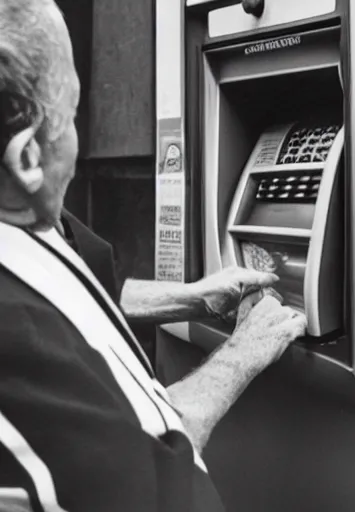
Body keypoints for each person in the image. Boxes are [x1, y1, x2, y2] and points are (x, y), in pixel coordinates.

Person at [0, 2, 307, 511]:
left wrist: (191, 298)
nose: (76, 143)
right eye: (72, 119)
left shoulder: (24, 216)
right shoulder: (16, 332)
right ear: (28, 158)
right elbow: (154, 473)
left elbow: (85, 288)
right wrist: (241, 354)